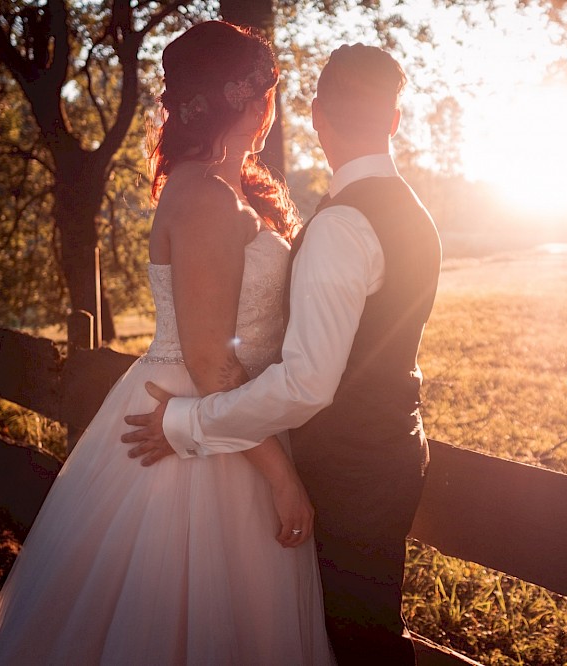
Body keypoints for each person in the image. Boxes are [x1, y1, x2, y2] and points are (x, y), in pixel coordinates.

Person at [0, 21, 334, 665]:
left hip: (224, 413)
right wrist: (281, 477)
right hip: (198, 427)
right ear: (252, 97)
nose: (272, 104)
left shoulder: (225, 189)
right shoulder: (205, 199)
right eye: (269, 89)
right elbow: (211, 360)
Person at [123, 43, 442, 665]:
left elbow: (307, 385)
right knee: (363, 630)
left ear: (317, 115)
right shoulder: (417, 216)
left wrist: (187, 423)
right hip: (392, 450)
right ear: (395, 120)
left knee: (353, 638)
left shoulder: (339, 225)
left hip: (342, 468)